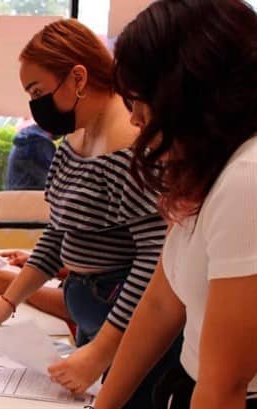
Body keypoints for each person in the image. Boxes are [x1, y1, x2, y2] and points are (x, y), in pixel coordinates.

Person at [0, 19, 180, 407]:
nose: (35, 105)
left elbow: (155, 261)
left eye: (38, 91)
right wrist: (9, 301)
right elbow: (58, 234)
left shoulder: (131, 148)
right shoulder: (73, 141)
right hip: (91, 315)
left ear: (78, 78)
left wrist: (104, 350)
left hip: (128, 326)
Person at [94, 1, 257, 408]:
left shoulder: (246, 180)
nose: (134, 119)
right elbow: (162, 302)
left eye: (139, 99)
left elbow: (225, 387)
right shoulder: (208, 167)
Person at [4, 124, 57, 190]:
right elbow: (50, 182)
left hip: (15, 196)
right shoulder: (40, 143)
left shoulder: (26, 138)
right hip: (31, 197)